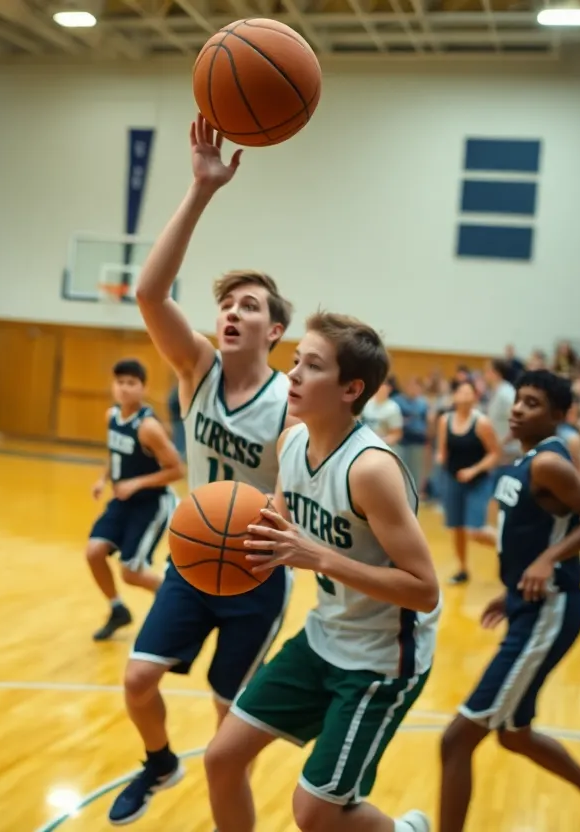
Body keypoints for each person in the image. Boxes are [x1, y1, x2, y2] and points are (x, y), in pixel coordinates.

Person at [108, 114, 296, 826]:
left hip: (253, 573)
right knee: (137, 680)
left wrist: (282, 523)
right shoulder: (196, 369)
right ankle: (158, 761)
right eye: (227, 303)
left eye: (249, 305)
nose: (233, 311)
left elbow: (303, 494)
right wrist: (200, 189)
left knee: (227, 730)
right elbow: (150, 295)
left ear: (275, 330)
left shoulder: (291, 402)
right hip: (193, 556)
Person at [203, 312, 437, 832]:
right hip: (324, 636)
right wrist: (229, 540)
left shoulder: (370, 469)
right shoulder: (290, 444)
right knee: (221, 758)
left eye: (312, 367)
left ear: (351, 388)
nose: (293, 375)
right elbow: (282, 525)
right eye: (294, 362)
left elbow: (424, 591)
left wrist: (316, 557)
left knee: (314, 813)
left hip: (381, 660)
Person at [438, 370, 580, 832]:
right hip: (528, 602)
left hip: (551, 609)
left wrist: (548, 561)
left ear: (558, 415)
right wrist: (513, 585)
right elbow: (531, 532)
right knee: (514, 734)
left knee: (456, 741)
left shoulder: (549, 464)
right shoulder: (525, 461)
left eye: (533, 403)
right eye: (518, 400)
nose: (518, 409)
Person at [88, 359, 184, 641]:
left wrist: (136, 483)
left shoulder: (148, 427)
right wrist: (103, 479)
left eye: (132, 383)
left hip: (152, 503)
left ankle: (178, 601)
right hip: (123, 500)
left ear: (143, 388)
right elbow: (115, 454)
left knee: (131, 572)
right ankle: (118, 610)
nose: (125, 389)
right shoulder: (112, 416)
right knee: (94, 552)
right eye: (120, 382)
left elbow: (177, 469)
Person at [435, 380, 502, 584]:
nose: (464, 397)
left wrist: (474, 470)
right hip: (452, 479)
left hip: (478, 482)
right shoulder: (445, 420)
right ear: (454, 396)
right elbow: (442, 449)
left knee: (475, 530)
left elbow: (495, 454)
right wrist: (440, 459)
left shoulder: (482, 423)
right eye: (460, 392)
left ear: (475, 397)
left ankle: (508, 545)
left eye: (468, 393)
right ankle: (462, 569)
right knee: (456, 527)